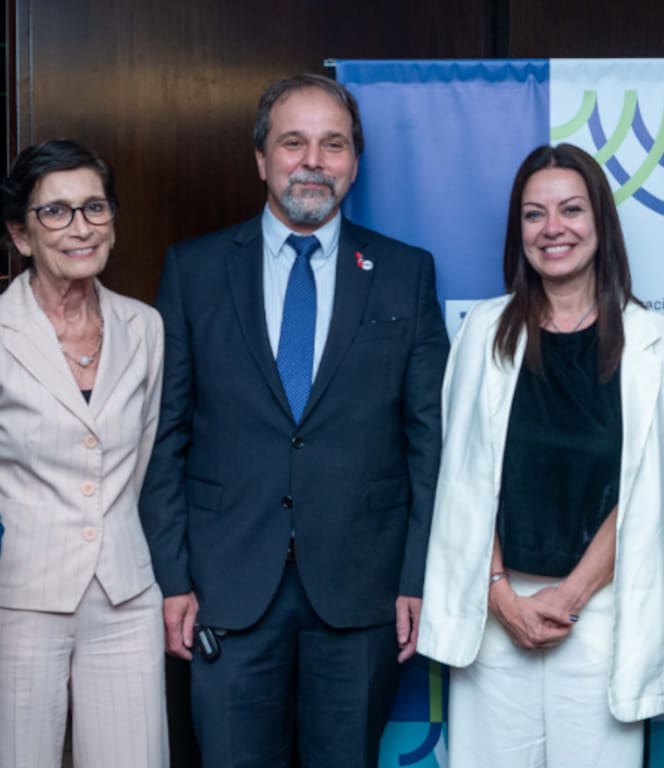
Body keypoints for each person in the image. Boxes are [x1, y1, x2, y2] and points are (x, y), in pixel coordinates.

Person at [138, 74, 449, 767]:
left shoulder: (405, 273)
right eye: (294, 142)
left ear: (355, 162)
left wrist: (416, 577)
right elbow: (165, 437)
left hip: (361, 592)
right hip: (225, 588)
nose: (313, 160)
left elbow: (430, 440)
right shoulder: (195, 270)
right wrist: (174, 579)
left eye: (333, 144)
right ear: (261, 159)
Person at [418, 142, 664, 767]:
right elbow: (461, 483)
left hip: (603, 617)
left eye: (571, 210)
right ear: (517, 230)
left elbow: (651, 493)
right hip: (494, 614)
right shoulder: (480, 334)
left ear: (600, 224)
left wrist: (571, 596)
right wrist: (500, 595)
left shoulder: (652, 343)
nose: (553, 229)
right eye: (534, 214)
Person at [0, 139, 167, 767]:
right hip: (20, 595)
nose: (81, 228)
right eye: (56, 212)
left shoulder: (144, 326)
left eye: (95, 208)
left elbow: (144, 455)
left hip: (125, 593)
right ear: (21, 235)